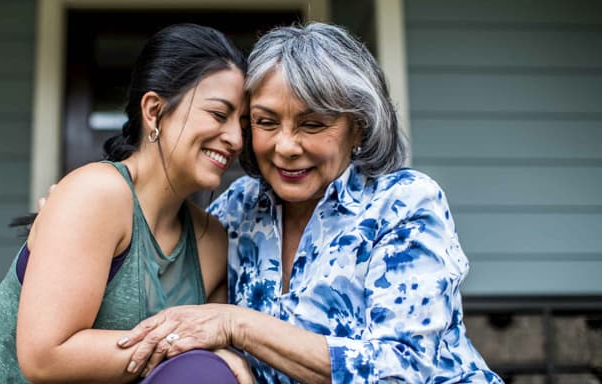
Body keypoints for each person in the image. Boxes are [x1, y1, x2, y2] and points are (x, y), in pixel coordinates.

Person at [116, 22, 504, 384]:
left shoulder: (402, 204)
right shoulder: (236, 211)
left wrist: (237, 325)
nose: (285, 147)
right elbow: (163, 300)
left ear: (359, 127)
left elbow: (399, 369)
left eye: (312, 124)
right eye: (266, 123)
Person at [0, 23, 254, 383]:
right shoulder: (97, 194)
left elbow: (202, 368)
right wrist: (185, 345)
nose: (235, 138)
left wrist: (211, 355)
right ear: (154, 111)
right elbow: (46, 357)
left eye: (244, 124)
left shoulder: (211, 242)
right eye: (219, 115)